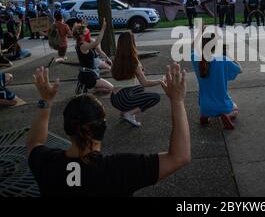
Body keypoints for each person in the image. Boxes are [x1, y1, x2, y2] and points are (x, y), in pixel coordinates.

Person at [26, 64, 190, 197]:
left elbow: (34, 142)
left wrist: (45, 101)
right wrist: (177, 100)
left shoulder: (46, 163)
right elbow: (180, 157)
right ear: (102, 127)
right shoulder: (120, 169)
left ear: (68, 127)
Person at [191, 30, 241, 130]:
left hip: (204, 106)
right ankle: (228, 115)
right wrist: (229, 56)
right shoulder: (223, 60)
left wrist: (199, 33)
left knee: (207, 108)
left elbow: (192, 48)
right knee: (235, 108)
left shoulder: (195, 58)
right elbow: (240, 69)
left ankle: (205, 116)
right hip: (222, 106)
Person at [111, 32, 162, 127]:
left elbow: (124, 77)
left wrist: (139, 72)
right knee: (155, 97)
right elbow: (145, 83)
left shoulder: (116, 59)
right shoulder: (133, 61)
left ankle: (123, 112)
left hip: (114, 98)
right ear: (132, 43)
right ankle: (129, 113)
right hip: (124, 99)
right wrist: (161, 80)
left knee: (139, 88)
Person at [72, 19, 113, 95]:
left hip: (89, 73)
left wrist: (106, 58)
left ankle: (88, 89)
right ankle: (86, 87)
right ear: (81, 35)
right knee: (112, 88)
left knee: (106, 89)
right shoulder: (82, 45)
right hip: (88, 76)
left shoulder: (82, 42)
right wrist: (103, 29)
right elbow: (96, 43)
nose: (88, 31)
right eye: (85, 31)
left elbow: (96, 46)